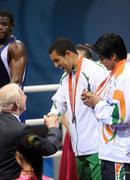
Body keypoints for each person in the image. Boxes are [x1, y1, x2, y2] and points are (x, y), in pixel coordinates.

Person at [47, 37, 108, 180]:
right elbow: (59, 101)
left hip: (98, 146)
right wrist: (53, 115)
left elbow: (109, 104)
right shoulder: (65, 77)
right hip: (79, 147)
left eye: (57, 60)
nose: (56, 65)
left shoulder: (95, 71)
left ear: (68, 54)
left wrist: (96, 102)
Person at [81, 33, 130, 180]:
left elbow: (120, 117)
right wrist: (94, 102)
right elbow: (111, 105)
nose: (100, 62)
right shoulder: (114, 74)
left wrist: (97, 103)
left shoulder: (125, 77)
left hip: (119, 154)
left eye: (102, 58)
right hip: (111, 151)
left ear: (114, 56)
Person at [0, 83, 61, 180]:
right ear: (17, 102)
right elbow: (49, 147)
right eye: (23, 94)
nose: (26, 96)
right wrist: (53, 128)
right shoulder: (20, 130)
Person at [0, 10, 27, 88]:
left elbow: (16, 81)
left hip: (10, 98)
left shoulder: (16, 47)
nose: (0, 28)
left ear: (12, 26)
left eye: (4, 24)